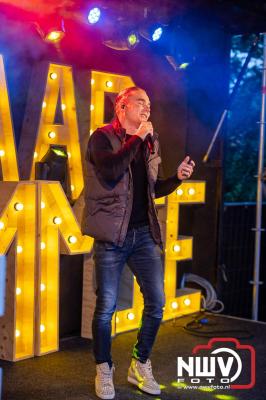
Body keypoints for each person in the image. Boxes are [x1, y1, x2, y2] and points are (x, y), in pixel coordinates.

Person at [81, 86, 195, 399]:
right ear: (122, 106)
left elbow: (150, 190)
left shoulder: (147, 142)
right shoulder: (101, 137)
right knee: (106, 308)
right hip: (112, 236)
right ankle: (104, 367)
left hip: (144, 235)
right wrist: (138, 138)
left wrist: (177, 180)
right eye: (140, 102)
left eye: (149, 103)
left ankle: (139, 363)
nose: (146, 108)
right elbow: (110, 171)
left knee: (156, 304)